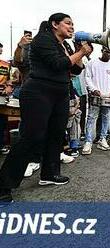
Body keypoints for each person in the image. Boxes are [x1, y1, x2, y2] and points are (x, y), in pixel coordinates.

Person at [0, 13, 92, 202]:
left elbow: (75, 69)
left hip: (60, 93)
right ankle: (4, 184)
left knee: (56, 134)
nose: (72, 27)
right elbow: (58, 64)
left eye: (73, 24)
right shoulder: (43, 39)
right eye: (68, 23)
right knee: (32, 136)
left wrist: (80, 52)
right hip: (38, 91)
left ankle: (49, 174)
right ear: (54, 24)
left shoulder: (64, 45)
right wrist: (80, 53)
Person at [82, 47, 110, 155]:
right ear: (102, 50)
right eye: (107, 52)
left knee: (106, 118)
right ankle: (88, 141)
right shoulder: (92, 63)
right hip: (96, 95)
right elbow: (87, 77)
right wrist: (94, 89)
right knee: (91, 117)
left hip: (107, 96)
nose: (108, 54)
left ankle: (102, 139)